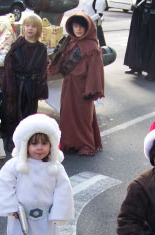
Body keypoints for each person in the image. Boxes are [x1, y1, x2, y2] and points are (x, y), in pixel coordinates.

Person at [0, 114, 75, 235]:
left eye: (44, 143)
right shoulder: (15, 165)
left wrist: (59, 213)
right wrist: (11, 207)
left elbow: (63, 190)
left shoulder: (55, 168)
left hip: (44, 216)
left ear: (51, 145)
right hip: (21, 216)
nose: (39, 148)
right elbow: (4, 184)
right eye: (34, 143)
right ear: (25, 145)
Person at [48, 13, 104, 156]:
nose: (78, 29)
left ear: (88, 28)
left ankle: (86, 145)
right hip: (68, 85)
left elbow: (95, 71)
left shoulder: (92, 47)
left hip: (83, 88)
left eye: (81, 26)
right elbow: (61, 62)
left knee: (83, 118)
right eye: (75, 26)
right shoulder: (70, 42)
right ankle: (70, 143)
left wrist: (91, 90)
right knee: (67, 115)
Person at [1, 13, 48, 152]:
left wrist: (40, 89)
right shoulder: (17, 45)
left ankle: (28, 142)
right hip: (16, 84)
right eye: (27, 25)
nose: (30, 29)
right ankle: (13, 140)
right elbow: (8, 67)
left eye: (33, 26)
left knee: (29, 114)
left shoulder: (41, 49)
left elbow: (42, 71)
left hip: (31, 86)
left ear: (38, 29)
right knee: (13, 113)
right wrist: (10, 87)